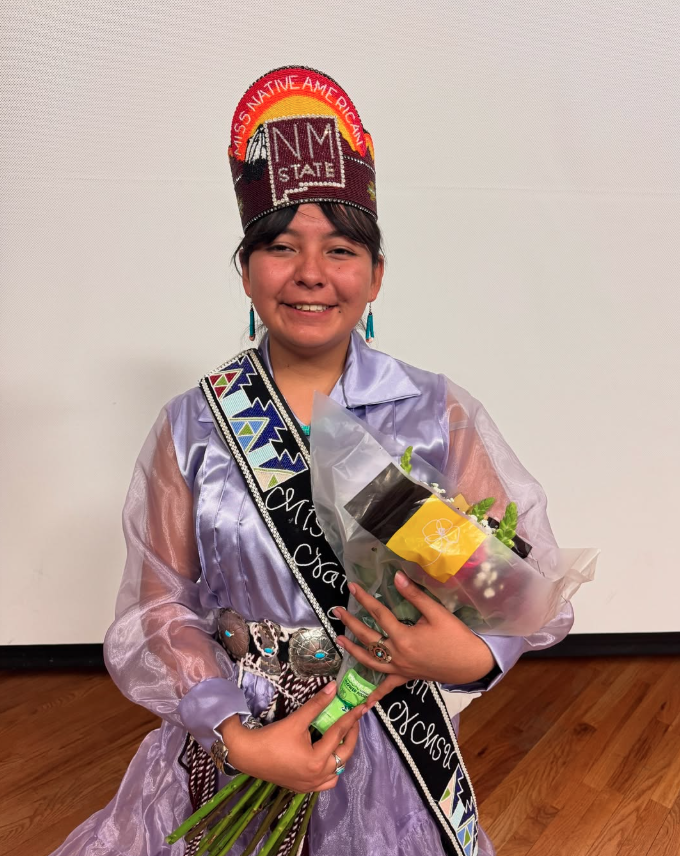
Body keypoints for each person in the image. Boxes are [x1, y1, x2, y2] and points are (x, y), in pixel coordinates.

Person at [50, 66, 573, 856]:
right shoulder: (193, 424)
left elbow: (515, 591)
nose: (311, 273)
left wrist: (463, 655)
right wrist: (234, 731)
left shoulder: (435, 413)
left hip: (386, 740)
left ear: (376, 275)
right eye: (280, 247)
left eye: (341, 249)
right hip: (238, 739)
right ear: (246, 269)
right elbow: (156, 607)